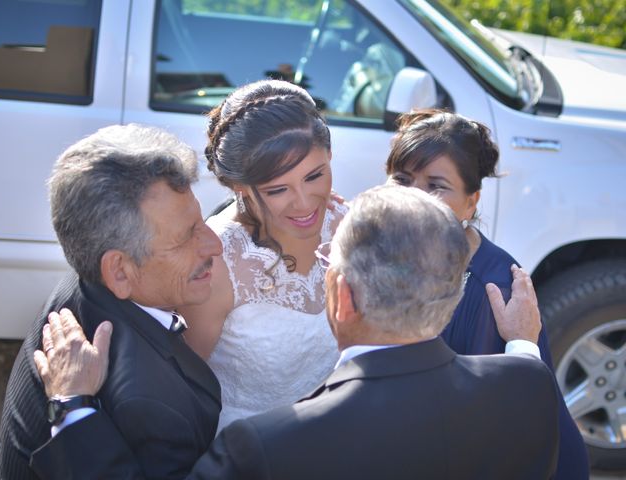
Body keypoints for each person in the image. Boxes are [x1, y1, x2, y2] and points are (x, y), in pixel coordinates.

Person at [32, 185, 560, 479]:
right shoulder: (528, 385)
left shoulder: (263, 448)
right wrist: (521, 343)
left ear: (341, 297)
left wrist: (73, 406)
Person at [0, 124, 223, 479]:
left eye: (201, 221)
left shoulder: (83, 284)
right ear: (119, 270)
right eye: (185, 237)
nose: (215, 245)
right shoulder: (148, 404)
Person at [385, 109, 589, 479]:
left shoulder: (494, 289)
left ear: (471, 202)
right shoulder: (385, 253)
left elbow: (496, 420)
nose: (415, 199)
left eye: (436, 186)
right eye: (402, 179)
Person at [179, 79, 346, 430]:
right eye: (278, 189)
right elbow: (185, 389)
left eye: (315, 176)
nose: (304, 202)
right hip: (246, 453)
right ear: (240, 186)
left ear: (329, 155)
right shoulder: (218, 262)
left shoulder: (345, 225)